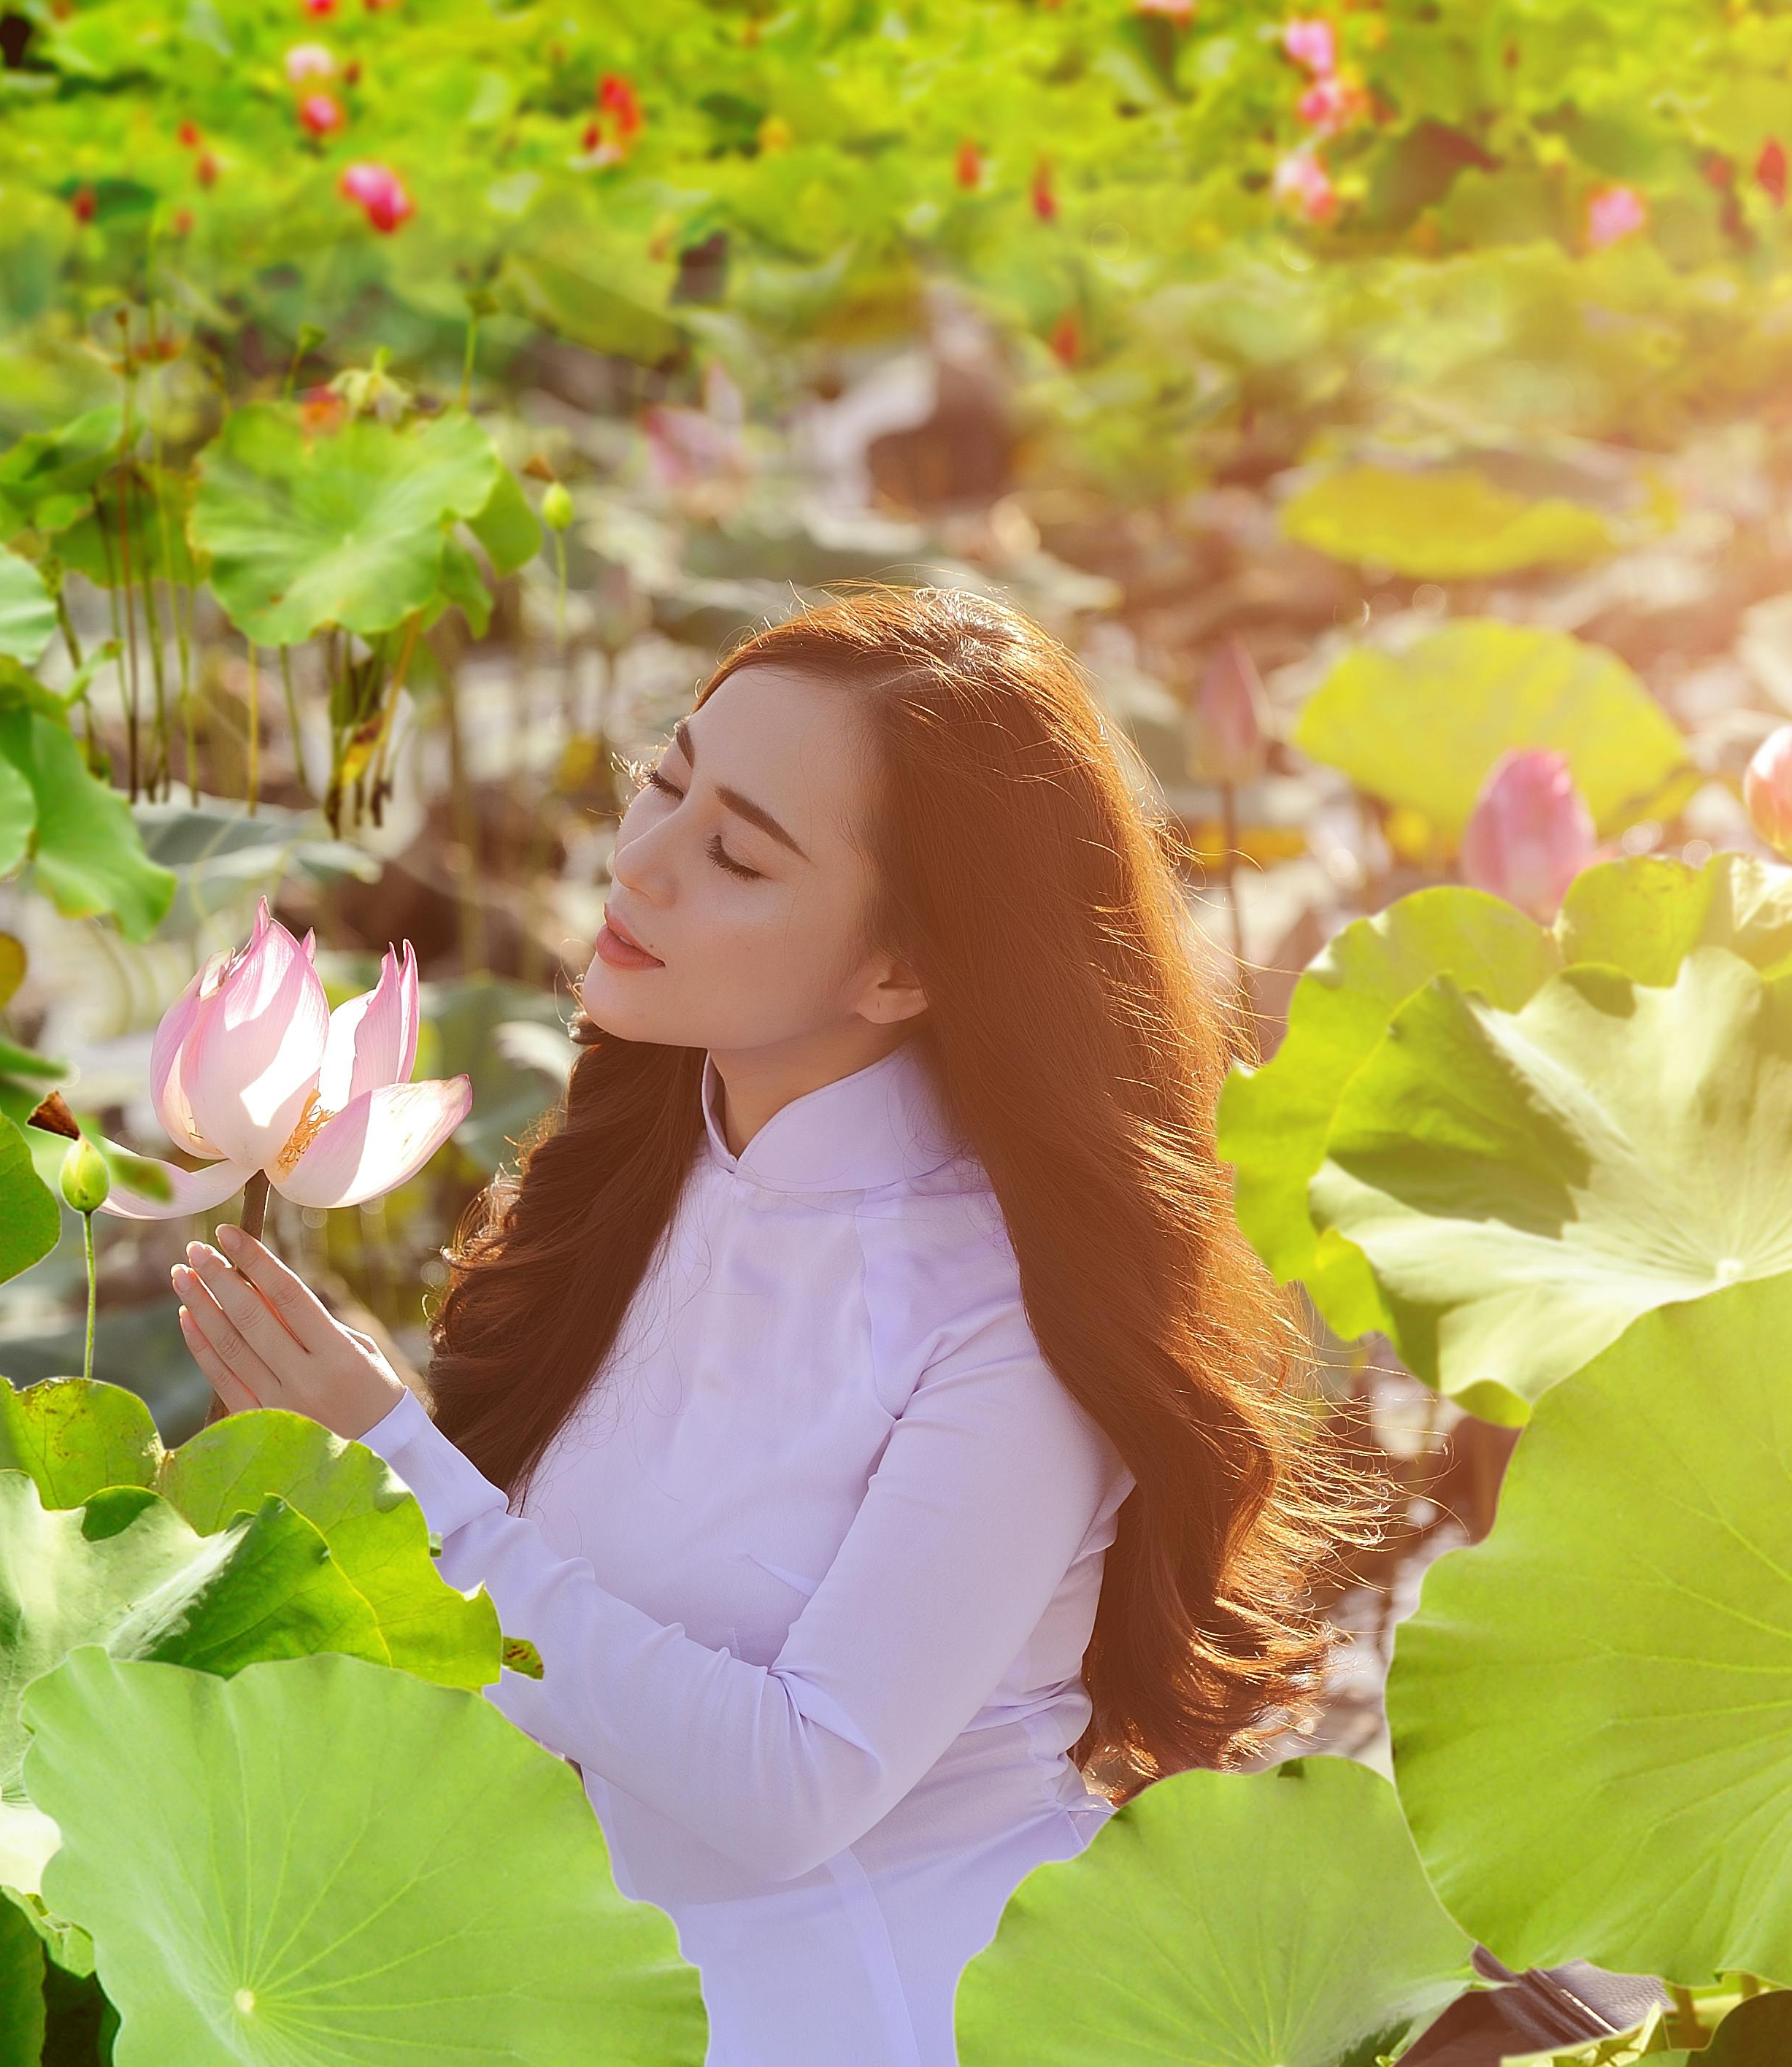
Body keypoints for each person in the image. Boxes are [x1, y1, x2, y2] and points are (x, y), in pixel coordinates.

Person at [166, 586, 1385, 2067]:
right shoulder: (658, 1157)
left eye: (736, 853)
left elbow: (795, 1784)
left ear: (904, 969)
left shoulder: (1012, 1323)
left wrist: (411, 1482)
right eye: (664, 784)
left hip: (886, 2012)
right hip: (571, 1974)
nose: (642, 865)